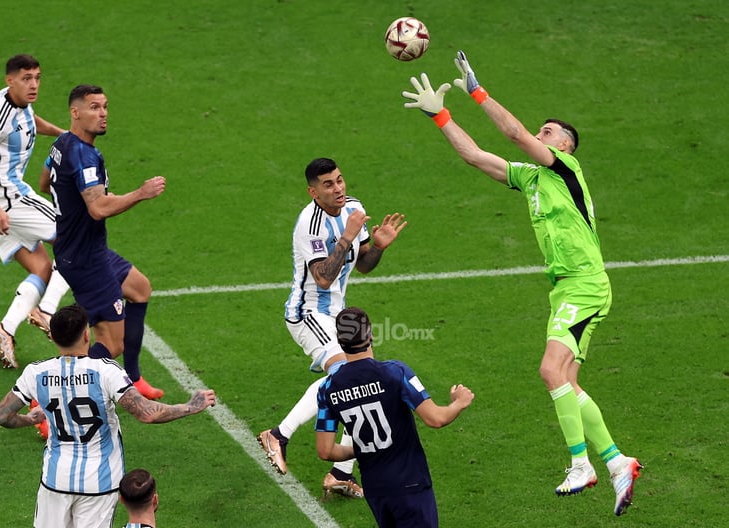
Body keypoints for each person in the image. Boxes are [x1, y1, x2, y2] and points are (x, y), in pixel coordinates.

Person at [401, 50, 642, 516]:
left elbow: (511, 132)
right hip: (567, 287)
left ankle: (580, 464)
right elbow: (475, 156)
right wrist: (440, 115)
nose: (539, 133)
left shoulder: (564, 170)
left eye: (549, 133)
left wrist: (476, 89)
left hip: (584, 284)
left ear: (565, 148)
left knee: (550, 371)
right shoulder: (531, 179)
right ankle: (616, 462)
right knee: (567, 383)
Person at [257, 157, 407, 498]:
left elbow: (365, 263)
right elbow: (323, 278)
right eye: (328, 185)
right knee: (345, 375)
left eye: (339, 180)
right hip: (307, 313)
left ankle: (340, 472)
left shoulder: (354, 207)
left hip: (336, 315)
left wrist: (379, 245)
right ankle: (278, 435)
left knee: (363, 377)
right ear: (314, 192)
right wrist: (347, 235)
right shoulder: (309, 225)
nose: (338, 188)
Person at [0, 304, 216, 528]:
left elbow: (0, 416)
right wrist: (189, 406)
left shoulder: (36, 373)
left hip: (55, 479)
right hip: (99, 482)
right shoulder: (106, 371)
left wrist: (29, 419)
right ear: (87, 335)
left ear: (53, 337)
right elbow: (147, 413)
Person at [40, 84, 166, 400]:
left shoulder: (62, 142)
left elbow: (44, 182)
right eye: (95, 107)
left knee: (139, 287)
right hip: (85, 259)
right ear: (75, 112)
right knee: (111, 345)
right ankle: (46, 404)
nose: (103, 113)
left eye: (105, 106)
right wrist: (141, 193)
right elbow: (97, 208)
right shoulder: (82, 154)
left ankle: (134, 377)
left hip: (84, 249)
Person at [315, 306, 474, 527]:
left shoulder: (327, 389)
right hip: (410, 484)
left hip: (375, 488)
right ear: (370, 335)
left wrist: (360, 448)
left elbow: (326, 451)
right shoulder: (394, 372)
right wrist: (459, 403)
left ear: (339, 342)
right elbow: (435, 418)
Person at [0, 53, 70, 369]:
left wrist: (64, 135)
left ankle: (5, 329)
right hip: (8, 203)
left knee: (42, 270)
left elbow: (30, 122)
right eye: (27, 78)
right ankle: (47, 311)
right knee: (76, 239)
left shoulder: (19, 102)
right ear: (9, 80)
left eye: (37, 77)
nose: (34, 84)